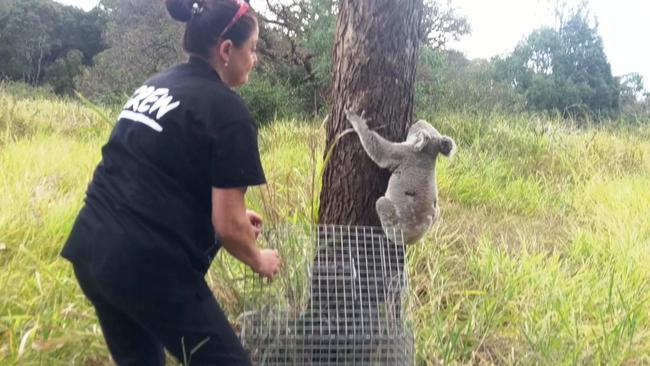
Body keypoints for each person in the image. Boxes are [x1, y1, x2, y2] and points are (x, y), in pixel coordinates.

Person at [61, 0, 281, 364]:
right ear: (227, 50)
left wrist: (240, 215)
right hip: (147, 265)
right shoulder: (229, 113)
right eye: (253, 49)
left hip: (92, 248)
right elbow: (227, 227)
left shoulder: (157, 85)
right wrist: (259, 258)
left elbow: (155, 174)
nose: (254, 59)